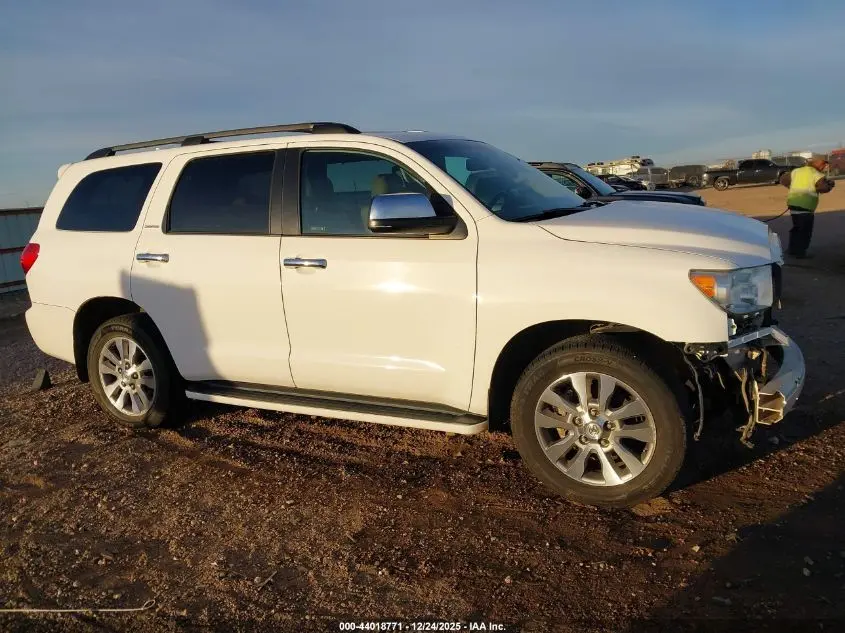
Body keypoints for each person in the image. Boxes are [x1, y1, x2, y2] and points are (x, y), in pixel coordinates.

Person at [779, 157, 835, 258]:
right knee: (805, 231)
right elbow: (823, 188)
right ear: (819, 164)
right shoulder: (817, 174)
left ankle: (792, 249)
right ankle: (800, 253)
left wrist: (792, 186)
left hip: (793, 204)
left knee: (796, 228)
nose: (824, 167)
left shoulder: (797, 171)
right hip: (806, 206)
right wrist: (830, 185)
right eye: (824, 165)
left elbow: (783, 179)